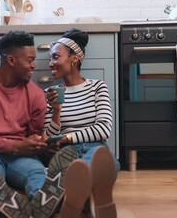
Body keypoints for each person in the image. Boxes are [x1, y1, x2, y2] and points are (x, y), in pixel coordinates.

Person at [0, 30, 78, 218]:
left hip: (21, 155)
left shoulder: (35, 94)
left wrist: (40, 145)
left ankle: (45, 202)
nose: (34, 65)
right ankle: (6, 206)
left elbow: (33, 133)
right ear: (11, 60)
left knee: (37, 174)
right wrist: (16, 145)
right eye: (29, 60)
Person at [43, 28, 120, 217]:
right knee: (89, 167)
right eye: (50, 58)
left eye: (55, 57)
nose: (50, 63)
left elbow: (104, 129)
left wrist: (67, 138)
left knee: (105, 161)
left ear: (74, 58)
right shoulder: (51, 93)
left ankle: (72, 192)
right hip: (64, 152)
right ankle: (82, 194)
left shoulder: (97, 87)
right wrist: (56, 111)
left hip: (94, 148)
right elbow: (49, 136)